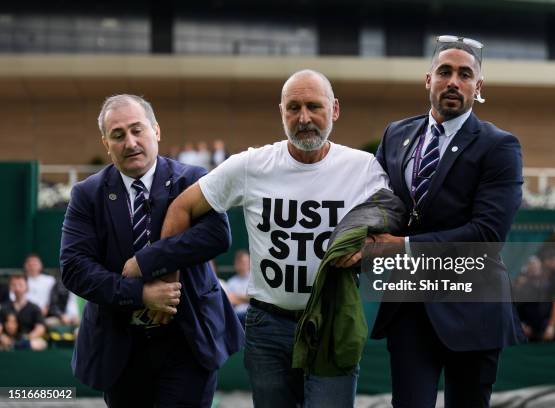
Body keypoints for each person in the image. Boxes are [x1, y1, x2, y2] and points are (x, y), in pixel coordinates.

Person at [155, 69, 389, 407]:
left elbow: (395, 236)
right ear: (281, 112)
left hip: (333, 322)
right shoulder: (253, 165)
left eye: (314, 106)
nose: (304, 118)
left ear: (334, 109)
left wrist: (369, 250)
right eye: (293, 108)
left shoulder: (364, 168)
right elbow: (182, 207)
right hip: (268, 324)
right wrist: (168, 281)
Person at [340, 36, 525, 407]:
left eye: (465, 74)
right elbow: (378, 203)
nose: (454, 81)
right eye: (445, 72)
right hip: (409, 308)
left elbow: (487, 235)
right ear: (429, 80)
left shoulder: (500, 146)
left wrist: (403, 247)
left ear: (478, 86)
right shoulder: (395, 134)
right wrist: (349, 243)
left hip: (473, 309)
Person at [60, 94, 244, 407]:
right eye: (118, 135)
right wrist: (139, 293)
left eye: (137, 130)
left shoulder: (193, 179)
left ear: (156, 131)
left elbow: (216, 235)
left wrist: (144, 262)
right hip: (120, 347)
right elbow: (74, 269)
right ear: (106, 143)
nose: (130, 142)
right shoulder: (86, 194)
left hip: (188, 340)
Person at [0, 274, 47, 350]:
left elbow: (40, 328)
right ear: (10, 287)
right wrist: (2, 337)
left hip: (27, 340)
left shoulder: (34, 308)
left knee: (39, 343)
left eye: (20, 285)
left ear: (26, 287)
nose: (17, 288)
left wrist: (26, 338)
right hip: (7, 340)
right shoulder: (4, 307)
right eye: (14, 285)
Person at [226, 250, 251, 325]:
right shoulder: (231, 282)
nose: (242, 265)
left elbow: (256, 300)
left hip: (252, 316)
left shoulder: (255, 280)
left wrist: (237, 297)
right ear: (236, 264)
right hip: (235, 317)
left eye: (244, 262)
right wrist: (246, 298)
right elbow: (230, 301)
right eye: (239, 262)